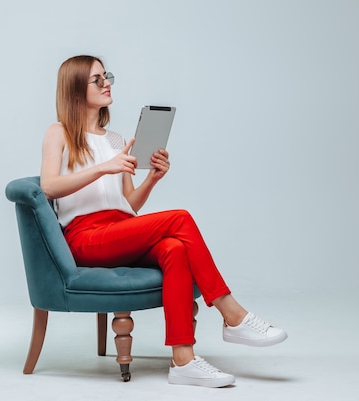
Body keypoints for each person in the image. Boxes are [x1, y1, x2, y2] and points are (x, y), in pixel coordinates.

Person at [40, 55, 287, 388]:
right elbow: (49, 186)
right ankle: (232, 314)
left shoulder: (115, 140)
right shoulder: (59, 133)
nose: (106, 83)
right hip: (86, 237)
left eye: (106, 76)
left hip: (118, 229)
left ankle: (183, 360)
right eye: (96, 79)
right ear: (74, 89)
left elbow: (127, 204)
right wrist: (103, 167)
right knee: (180, 218)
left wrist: (153, 178)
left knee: (174, 248)